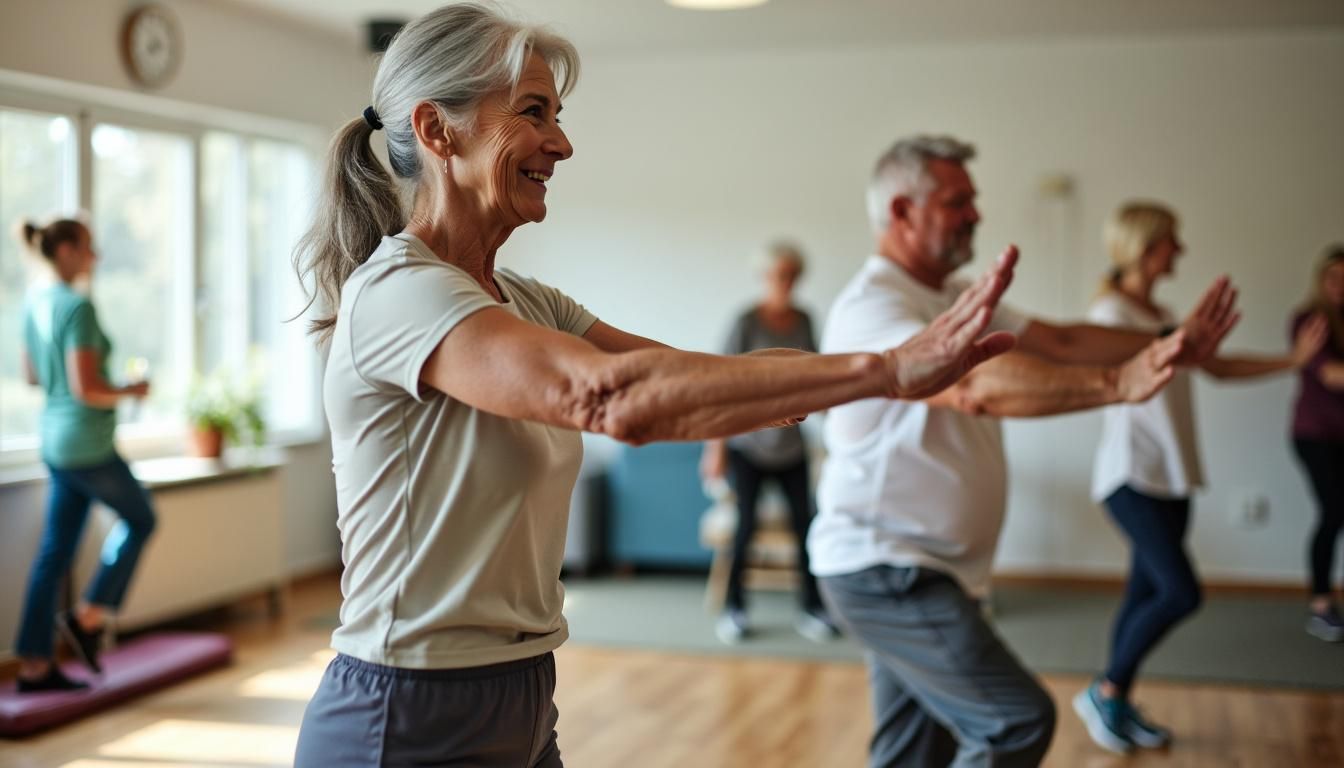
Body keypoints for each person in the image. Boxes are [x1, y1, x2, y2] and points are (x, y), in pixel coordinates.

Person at [290, 7, 1022, 766]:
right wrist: (886, 371)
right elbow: (612, 399)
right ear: (439, 131)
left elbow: (702, 377)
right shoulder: (401, 293)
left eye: (557, 116)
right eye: (533, 113)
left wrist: (892, 371)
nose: (561, 143)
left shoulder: (527, 302)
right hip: (405, 708)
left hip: (519, 690)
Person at [809, 136, 1241, 768]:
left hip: (928, 568)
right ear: (901, 212)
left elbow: (1061, 341)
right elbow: (974, 388)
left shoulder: (955, 296)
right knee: (1014, 721)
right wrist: (1118, 384)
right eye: (959, 202)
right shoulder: (874, 305)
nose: (976, 215)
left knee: (914, 751)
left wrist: (1170, 339)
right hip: (885, 568)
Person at [1072, 201, 1327, 754]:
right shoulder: (1112, 315)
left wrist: (1291, 362)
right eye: (1172, 242)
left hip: (1172, 475)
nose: (1180, 252)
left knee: (1144, 591)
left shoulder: (1157, 311)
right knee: (1180, 592)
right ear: (1146, 248)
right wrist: (1181, 335)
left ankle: (1115, 701)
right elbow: (1114, 370)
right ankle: (1105, 689)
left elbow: (1215, 366)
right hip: (1131, 475)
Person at [13, 218, 156, 693]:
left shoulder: (34, 301)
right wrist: (131, 389)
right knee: (141, 520)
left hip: (54, 441)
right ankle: (88, 616)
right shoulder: (78, 307)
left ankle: (34, 665)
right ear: (69, 250)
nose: (96, 258)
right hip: (87, 445)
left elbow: (33, 376)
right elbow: (88, 387)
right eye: (90, 248)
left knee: (55, 553)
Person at [700, 242, 837, 644]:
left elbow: (815, 375)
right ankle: (735, 609)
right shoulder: (744, 322)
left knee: (805, 527)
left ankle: (813, 608)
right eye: (779, 274)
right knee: (745, 530)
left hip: (792, 447)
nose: (785, 282)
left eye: (792, 274)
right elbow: (717, 384)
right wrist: (716, 450)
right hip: (748, 447)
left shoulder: (805, 320)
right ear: (765, 277)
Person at [1291, 244, 1344, 643]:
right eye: (1334, 277)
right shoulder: (1309, 321)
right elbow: (1331, 375)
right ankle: (1321, 604)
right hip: (1315, 435)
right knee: (1332, 511)